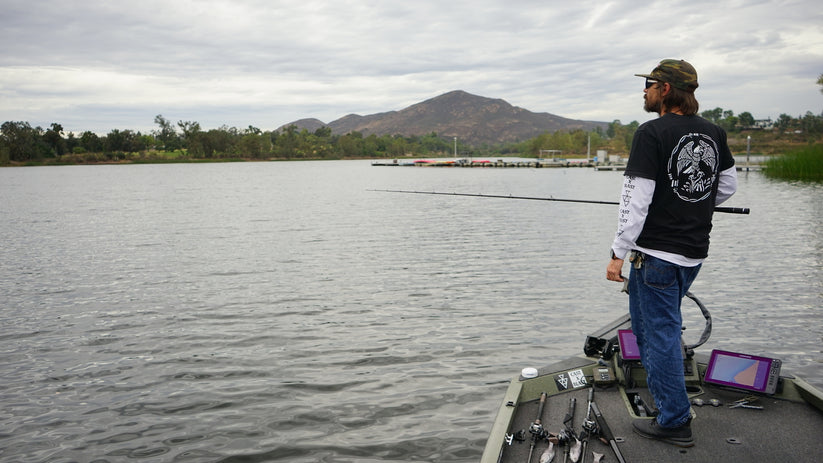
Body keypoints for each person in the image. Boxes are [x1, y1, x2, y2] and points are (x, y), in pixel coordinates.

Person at [606, 59, 738, 447]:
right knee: (651, 331)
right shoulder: (714, 132)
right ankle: (669, 404)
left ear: (665, 89)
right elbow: (727, 185)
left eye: (649, 84)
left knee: (658, 336)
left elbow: (634, 201)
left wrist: (617, 252)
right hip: (692, 255)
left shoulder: (651, 132)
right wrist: (689, 203)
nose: (643, 90)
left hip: (656, 257)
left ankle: (675, 420)